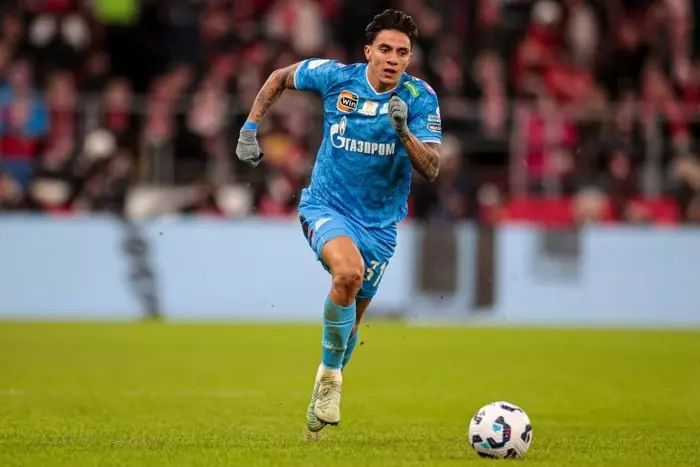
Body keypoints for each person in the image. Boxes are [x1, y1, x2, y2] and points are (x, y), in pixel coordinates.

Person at [235, 9, 442, 434]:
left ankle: (324, 386)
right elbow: (279, 77)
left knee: (351, 329)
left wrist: (403, 132)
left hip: (380, 226)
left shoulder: (420, 98)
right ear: (368, 51)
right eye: (385, 49)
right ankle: (330, 381)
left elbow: (432, 167)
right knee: (348, 273)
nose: (393, 59)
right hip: (326, 206)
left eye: (402, 52)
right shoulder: (335, 78)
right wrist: (249, 129)